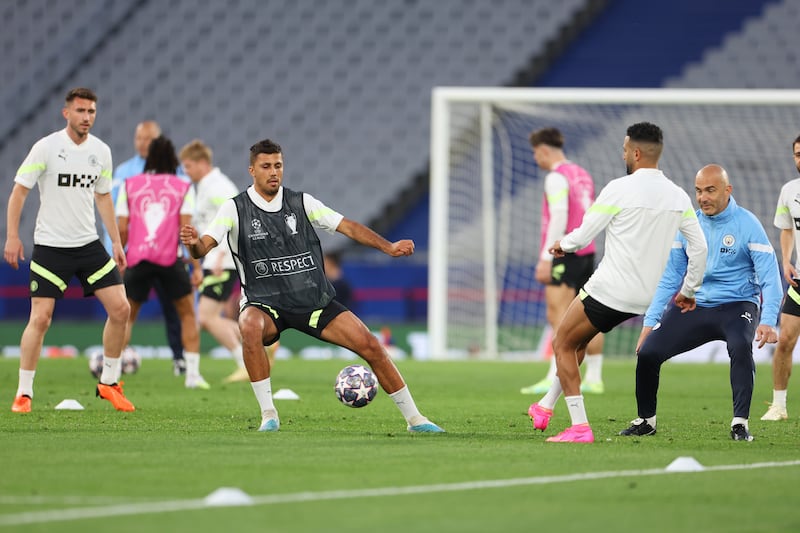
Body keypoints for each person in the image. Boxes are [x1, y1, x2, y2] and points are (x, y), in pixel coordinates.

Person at [179, 138, 444, 433]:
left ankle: (416, 419)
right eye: (266, 166)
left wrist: (388, 247)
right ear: (252, 170)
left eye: (278, 165)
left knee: (371, 345)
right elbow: (204, 247)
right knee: (249, 325)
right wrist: (192, 245)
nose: (273, 172)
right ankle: (269, 415)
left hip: (313, 302)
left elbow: (348, 226)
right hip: (266, 303)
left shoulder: (302, 203)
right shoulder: (234, 209)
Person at [529, 122, 707, 443]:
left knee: (562, 344)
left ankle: (580, 427)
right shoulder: (679, 196)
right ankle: (544, 406)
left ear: (636, 153)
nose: (623, 154)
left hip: (610, 290)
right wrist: (689, 289)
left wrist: (562, 245)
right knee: (578, 343)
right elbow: (700, 248)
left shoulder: (618, 188)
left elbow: (585, 232)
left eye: (625, 149)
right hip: (648, 298)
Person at [618, 164, 781, 441]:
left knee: (741, 346)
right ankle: (646, 420)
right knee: (647, 353)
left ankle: (739, 423)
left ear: (727, 190)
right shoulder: (689, 226)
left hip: (738, 304)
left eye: (710, 190)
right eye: (698, 191)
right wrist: (650, 321)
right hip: (694, 304)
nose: (703, 197)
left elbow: (770, 277)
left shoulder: (748, 224)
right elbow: (670, 277)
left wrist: (768, 319)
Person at [3, 87, 134, 412]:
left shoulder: (101, 151)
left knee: (121, 309)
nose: (86, 117)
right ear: (67, 113)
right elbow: (19, 191)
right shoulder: (46, 148)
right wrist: (12, 236)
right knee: (41, 319)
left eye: (91, 112)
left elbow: (103, 196)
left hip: (88, 245)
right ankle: (23, 393)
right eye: (80, 111)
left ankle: (109, 383)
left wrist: (116, 242)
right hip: (50, 247)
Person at [116, 135, 209, 389]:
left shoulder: (130, 185)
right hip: (170, 259)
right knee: (188, 314)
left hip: (138, 257)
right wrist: (196, 266)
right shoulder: (182, 186)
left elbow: (122, 228)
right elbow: (186, 229)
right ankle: (192, 375)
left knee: (126, 316)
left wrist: (120, 255)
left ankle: (112, 374)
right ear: (173, 159)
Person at [519, 127, 605, 396]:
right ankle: (594, 376)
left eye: (535, 153)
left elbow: (559, 215)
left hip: (563, 252)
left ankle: (553, 375)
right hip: (586, 250)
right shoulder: (582, 174)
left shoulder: (556, 178)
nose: (535, 159)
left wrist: (546, 257)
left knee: (558, 315)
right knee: (590, 316)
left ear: (544, 150)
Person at [109, 120, 186, 376]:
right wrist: (115, 247)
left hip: (164, 253)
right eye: (139, 138)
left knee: (173, 309)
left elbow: (183, 216)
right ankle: (117, 360)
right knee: (125, 310)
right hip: (136, 254)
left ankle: (179, 358)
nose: (143, 143)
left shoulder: (177, 173)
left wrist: (185, 253)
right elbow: (113, 214)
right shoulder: (122, 172)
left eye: (149, 139)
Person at [180, 139, 255, 383]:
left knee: (206, 317)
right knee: (210, 317)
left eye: (189, 166)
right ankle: (257, 345)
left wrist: (223, 254)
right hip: (214, 259)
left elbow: (237, 219)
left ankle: (245, 363)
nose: (186, 171)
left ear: (202, 164)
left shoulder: (219, 187)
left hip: (223, 261)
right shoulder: (203, 187)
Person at [762, 134, 800, 421]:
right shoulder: (789, 191)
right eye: (797, 154)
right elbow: (787, 229)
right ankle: (778, 406)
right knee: (785, 340)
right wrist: (786, 260)